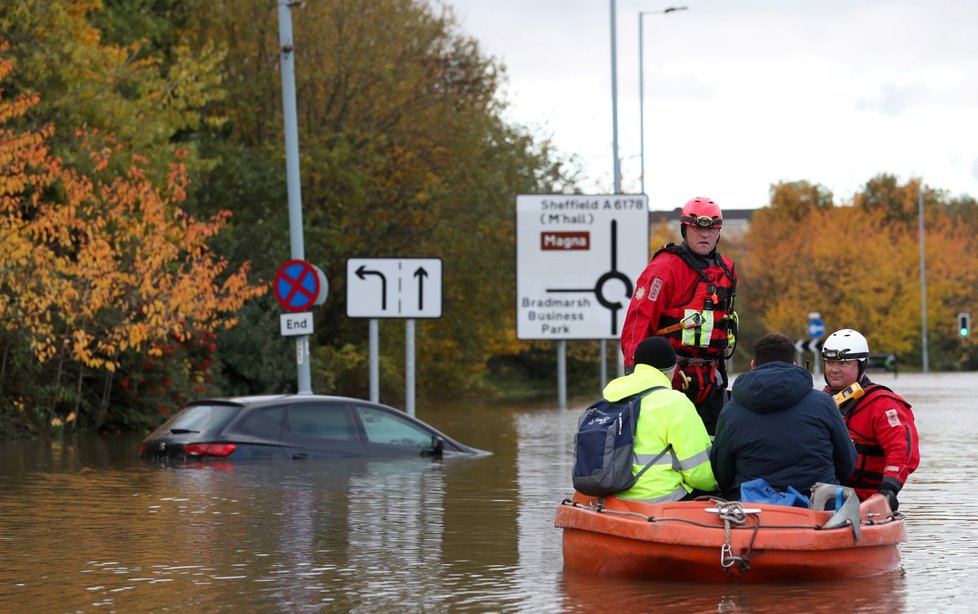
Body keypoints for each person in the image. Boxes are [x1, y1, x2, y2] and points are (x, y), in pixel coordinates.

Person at [620, 197, 738, 436]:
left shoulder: (726, 269)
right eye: (697, 228)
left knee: (717, 445)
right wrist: (633, 374)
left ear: (718, 232)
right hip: (672, 379)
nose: (704, 235)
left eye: (711, 229)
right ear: (685, 229)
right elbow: (638, 320)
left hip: (711, 378)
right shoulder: (664, 268)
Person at [710, 333, 856, 501]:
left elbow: (722, 474)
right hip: (818, 507)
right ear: (794, 364)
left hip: (753, 511)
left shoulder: (730, 411)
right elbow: (847, 465)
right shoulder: (825, 404)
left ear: (753, 365)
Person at [606, 336, 717, 503]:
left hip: (613, 495)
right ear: (672, 369)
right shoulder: (676, 402)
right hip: (661, 498)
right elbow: (698, 474)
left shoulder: (610, 396)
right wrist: (716, 485)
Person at [821, 328, 920, 511]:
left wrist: (888, 491)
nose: (833, 369)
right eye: (829, 362)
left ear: (862, 364)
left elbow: (902, 450)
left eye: (843, 363)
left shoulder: (883, 404)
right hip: (821, 494)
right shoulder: (820, 400)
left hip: (862, 500)